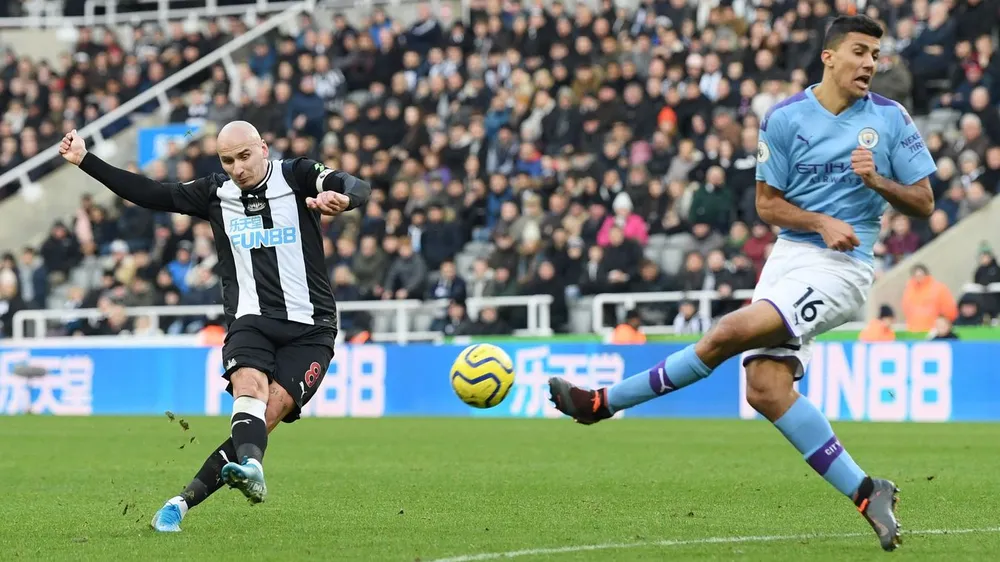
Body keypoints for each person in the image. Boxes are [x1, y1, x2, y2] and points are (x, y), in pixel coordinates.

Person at [547, 15, 936, 552]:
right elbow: (766, 204)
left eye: (875, 53)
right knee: (766, 389)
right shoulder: (784, 119)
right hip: (790, 258)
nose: (870, 63)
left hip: (844, 268)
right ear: (829, 57)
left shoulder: (891, 120)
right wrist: (819, 220)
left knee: (729, 332)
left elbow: (924, 202)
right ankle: (869, 492)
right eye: (860, 51)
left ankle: (602, 404)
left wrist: (877, 181)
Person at [58, 121, 371, 532]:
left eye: (244, 157)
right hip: (251, 320)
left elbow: (356, 184)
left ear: (263, 147)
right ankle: (253, 470)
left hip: (312, 328)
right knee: (249, 388)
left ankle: (181, 502)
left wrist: (342, 198)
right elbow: (150, 193)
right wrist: (85, 160)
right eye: (227, 161)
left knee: (268, 414)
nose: (237, 168)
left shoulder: (297, 176)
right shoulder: (214, 192)